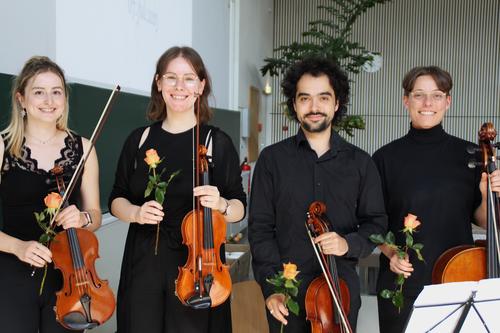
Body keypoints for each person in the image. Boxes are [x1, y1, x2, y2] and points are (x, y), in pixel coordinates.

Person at [109, 46, 246, 333]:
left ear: (201, 86)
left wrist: (221, 203)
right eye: (171, 78)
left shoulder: (216, 142)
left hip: (198, 265)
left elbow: (238, 208)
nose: (179, 86)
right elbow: (116, 199)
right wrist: (136, 212)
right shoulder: (139, 139)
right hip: (144, 261)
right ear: (158, 83)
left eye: (189, 78)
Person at [248, 56, 387, 332]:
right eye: (305, 98)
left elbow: (377, 223)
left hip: (340, 294)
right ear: (294, 105)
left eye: (323, 98)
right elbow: (261, 229)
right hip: (286, 297)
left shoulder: (361, 163)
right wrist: (271, 288)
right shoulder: (271, 160)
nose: (314, 107)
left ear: (336, 104)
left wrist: (348, 244)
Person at [373, 66, 500, 333]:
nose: (428, 103)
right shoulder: (385, 158)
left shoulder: (472, 154)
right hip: (403, 283)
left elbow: (485, 221)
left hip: (459, 282)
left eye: (437, 95)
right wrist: (390, 252)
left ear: (448, 101)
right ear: (406, 100)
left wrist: (490, 193)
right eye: (419, 95)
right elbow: (372, 222)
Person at [0, 56, 102, 333]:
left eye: (56, 91)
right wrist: (18, 247)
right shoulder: (3, 146)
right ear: (21, 99)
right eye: (38, 92)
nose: (49, 100)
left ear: (65, 99)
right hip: (11, 274)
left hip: (69, 276)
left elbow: (95, 216)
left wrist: (82, 217)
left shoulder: (84, 149)